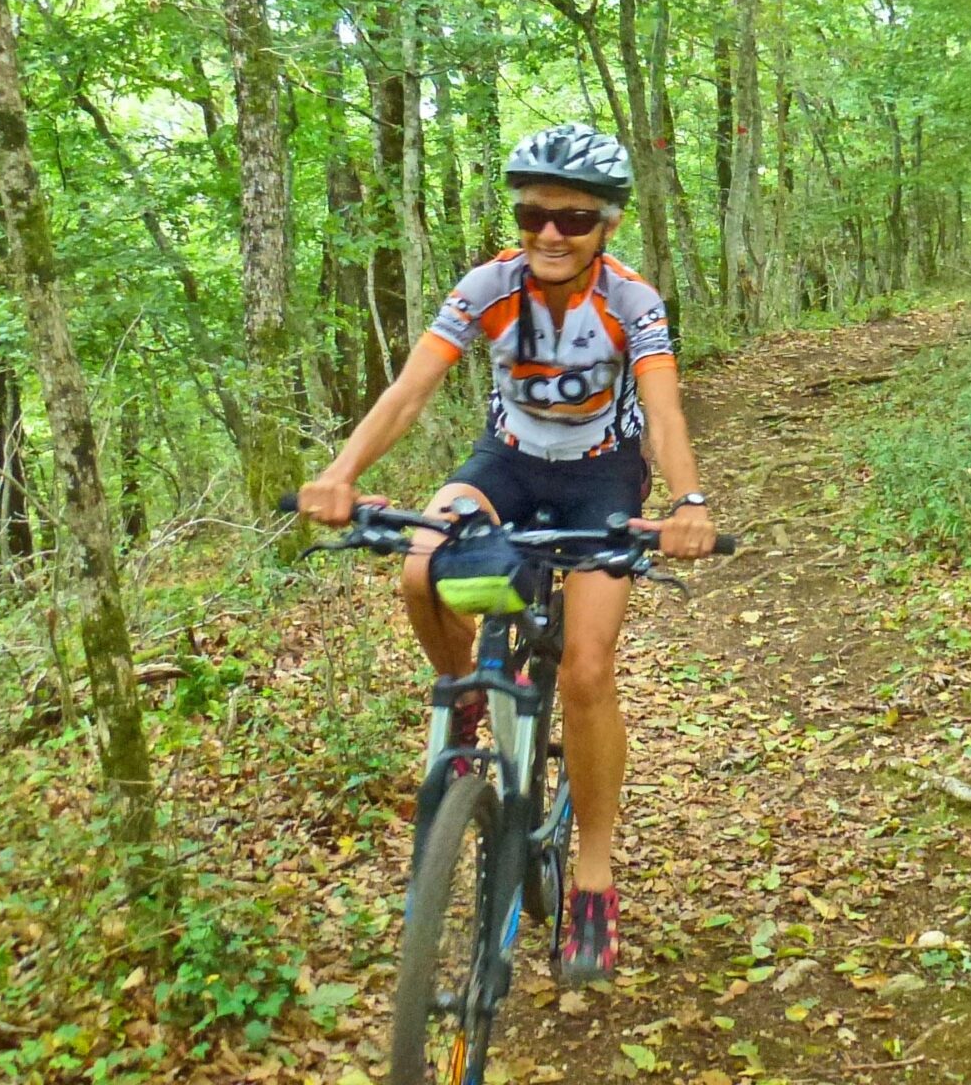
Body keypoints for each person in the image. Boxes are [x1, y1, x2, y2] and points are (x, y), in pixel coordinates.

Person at [296, 123, 718, 986]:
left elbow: (664, 409)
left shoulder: (631, 300)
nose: (551, 234)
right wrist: (340, 473)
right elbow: (409, 392)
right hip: (508, 464)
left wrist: (687, 502)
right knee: (421, 562)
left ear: (606, 226)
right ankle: (465, 699)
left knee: (587, 670)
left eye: (574, 219)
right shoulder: (489, 286)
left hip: (602, 476)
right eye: (534, 215)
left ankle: (592, 879)